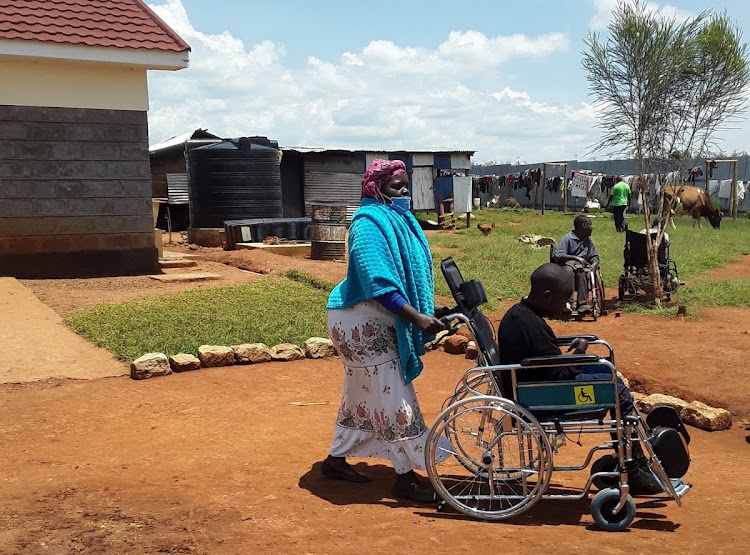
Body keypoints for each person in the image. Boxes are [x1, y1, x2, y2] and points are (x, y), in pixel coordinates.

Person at [321, 159, 450, 503]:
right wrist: (417, 318)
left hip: (375, 317)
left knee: (363, 394)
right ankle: (405, 477)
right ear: (376, 188)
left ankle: (334, 461)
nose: (404, 191)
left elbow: (402, 277)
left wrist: (428, 308)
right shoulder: (366, 225)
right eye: (397, 186)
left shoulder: (399, 220)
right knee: (395, 395)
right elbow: (377, 281)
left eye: (406, 185)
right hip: (359, 322)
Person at [497, 263, 662, 495]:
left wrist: (577, 355)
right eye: (563, 299)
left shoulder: (521, 315)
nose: (565, 306)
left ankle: (633, 459)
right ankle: (632, 467)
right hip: (542, 397)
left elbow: (551, 364)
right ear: (546, 296)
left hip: (539, 385)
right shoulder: (529, 324)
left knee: (608, 375)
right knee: (613, 389)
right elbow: (559, 372)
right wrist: (581, 353)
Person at [553, 215, 600, 315]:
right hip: (568, 265)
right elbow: (558, 255)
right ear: (583, 226)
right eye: (590, 225)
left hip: (581, 267)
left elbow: (594, 255)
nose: (592, 228)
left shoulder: (587, 241)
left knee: (581, 272)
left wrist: (594, 264)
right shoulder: (568, 238)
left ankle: (582, 304)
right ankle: (568, 303)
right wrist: (576, 258)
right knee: (568, 271)